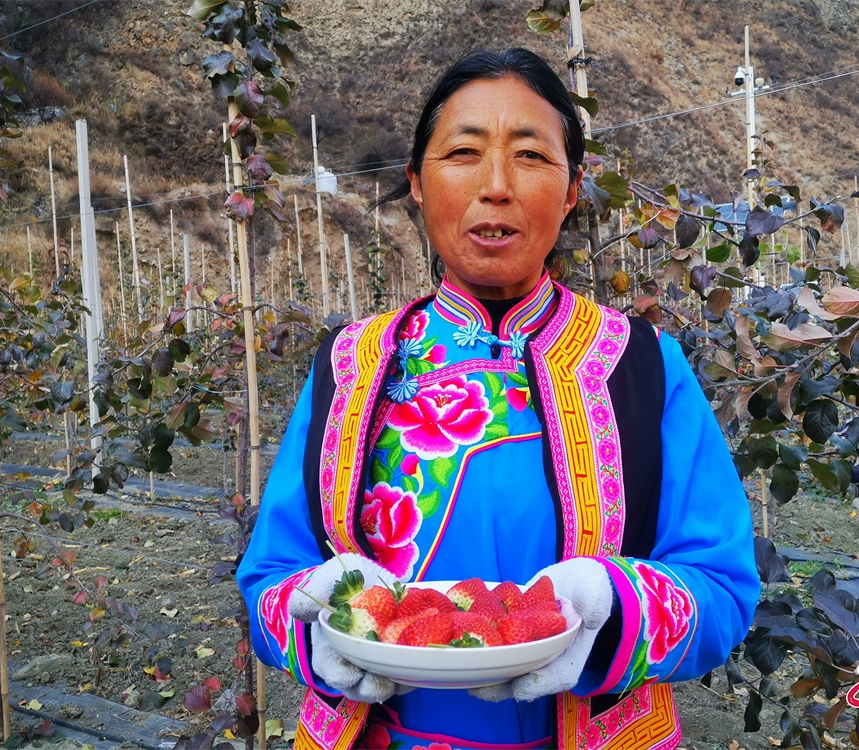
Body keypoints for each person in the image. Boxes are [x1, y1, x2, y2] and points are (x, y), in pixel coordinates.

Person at [237, 48, 759, 750]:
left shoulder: (641, 365)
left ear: (572, 190)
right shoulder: (350, 364)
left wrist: (614, 607)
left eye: (531, 157)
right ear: (416, 183)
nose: (496, 187)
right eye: (462, 153)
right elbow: (272, 574)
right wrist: (317, 630)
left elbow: (722, 588)